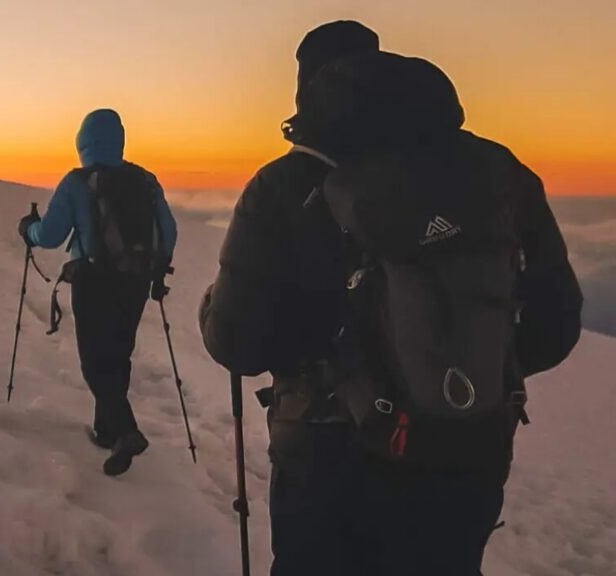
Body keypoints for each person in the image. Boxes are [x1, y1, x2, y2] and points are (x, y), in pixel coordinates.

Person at [199, 22, 582, 576]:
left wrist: (213, 308)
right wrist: (456, 367)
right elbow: (556, 324)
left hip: (326, 471)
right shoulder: (498, 174)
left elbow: (237, 342)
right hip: (466, 456)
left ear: (310, 90)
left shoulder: (284, 185)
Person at [17, 109, 178, 477]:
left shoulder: (77, 182)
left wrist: (29, 230)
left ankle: (125, 431)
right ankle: (107, 430)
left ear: (83, 142)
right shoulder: (146, 181)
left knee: (94, 360)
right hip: (135, 280)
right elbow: (169, 231)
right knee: (118, 352)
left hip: (94, 279)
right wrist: (155, 269)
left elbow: (52, 234)